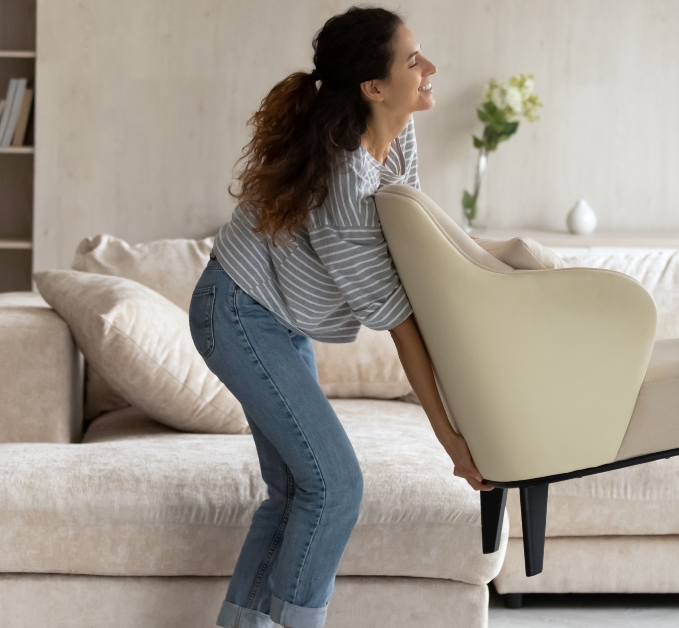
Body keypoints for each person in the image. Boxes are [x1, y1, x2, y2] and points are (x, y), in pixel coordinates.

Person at [188, 8, 485, 628]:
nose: (430, 68)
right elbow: (400, 320)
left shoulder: (394, 135)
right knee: (336, 486)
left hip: (269, 318)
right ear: (372, 87)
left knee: (296, 491)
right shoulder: (345, 181)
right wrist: (450, 438)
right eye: (412, 61)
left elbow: (412, 246)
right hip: (239, 314)